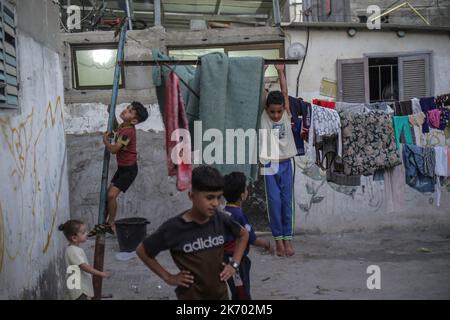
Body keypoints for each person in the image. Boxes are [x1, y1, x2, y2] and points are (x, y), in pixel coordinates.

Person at [136, 165, 249, 300]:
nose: (215, 203)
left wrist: (234, 265)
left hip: (221, 295)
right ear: (191, 196)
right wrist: (168, 277)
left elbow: (243, 235)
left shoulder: (220, 219)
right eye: (209, 197)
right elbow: (142, 251)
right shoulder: (175, 228)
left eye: (218, 197)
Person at [89, 101, 149, 236]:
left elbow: (115, 149)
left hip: (129, 171)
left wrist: (105, 141)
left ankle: (111, 224)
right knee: (107, 196)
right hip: (122, 169)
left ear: (134, 120)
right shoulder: (124, 126)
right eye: (127, 108)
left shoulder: (129, 132)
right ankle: (102, 223)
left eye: (129, 111)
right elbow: (117, 128)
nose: (125, 110)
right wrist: (112, 113)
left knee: (111, 196)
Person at [260, 65, 297, 257]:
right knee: (274, 202)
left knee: (286, 202)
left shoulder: (286, 114)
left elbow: (284, 92)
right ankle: (279, 241)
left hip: (285, 164)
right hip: (269, 164)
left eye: (278, 111)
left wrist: (281, 71)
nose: (276, 115)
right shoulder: (264, 116)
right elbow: (261, 93)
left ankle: (288, 239)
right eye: (272, 111)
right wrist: (262, 71)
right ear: (267, 109)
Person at [223, 172, 273, 300]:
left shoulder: (225, 212)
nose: (247, 190)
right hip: (236, 260)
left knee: (236, 290)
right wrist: (267, 244)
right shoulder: (239, 214)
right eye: (245, 188)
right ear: (242, 195)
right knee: (242, 293)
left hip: (224, 258)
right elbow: (251, 239)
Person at [59, 219, 111, 300]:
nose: (86, 234)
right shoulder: (73, 251)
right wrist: (101, 274)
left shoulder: (74, 249)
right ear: (74, 238)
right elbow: (84, 267)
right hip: (78, 287)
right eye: (83, 233)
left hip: (77, 286)